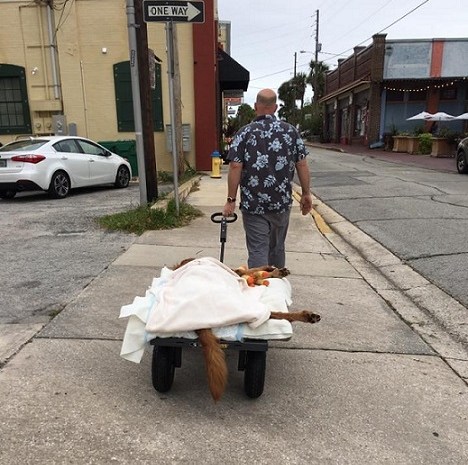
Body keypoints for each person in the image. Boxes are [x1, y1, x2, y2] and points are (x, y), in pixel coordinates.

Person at [222, 88, 312, 268]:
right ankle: (277, 289)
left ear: (256, 106)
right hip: (281, 204)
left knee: (258, 250)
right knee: (277, 248)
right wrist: (306, 193)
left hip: (253, 205)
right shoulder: (291, 132)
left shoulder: (245, 133)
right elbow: (301, 164)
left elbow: (235, 166)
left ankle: (260, 290)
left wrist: (231, 199)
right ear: (275, 108)